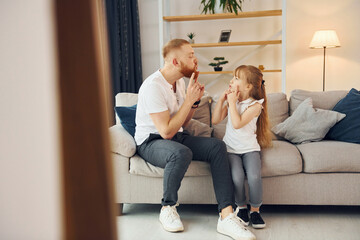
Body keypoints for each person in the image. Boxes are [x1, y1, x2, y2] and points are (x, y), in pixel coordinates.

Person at [134, 39, 256, 240]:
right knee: (181, 152)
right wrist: (189, 101)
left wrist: (194, 102)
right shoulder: (152, 86)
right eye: (190, 56)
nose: (195, 59)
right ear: (175, 62)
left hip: (176, 136)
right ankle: (167, 207)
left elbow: (184, 122)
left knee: (217, 146)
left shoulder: (180, 82)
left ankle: (226, 216)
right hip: (151, 141)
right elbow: (165, 131)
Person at [212, 65, 272, 229]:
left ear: (248, 86)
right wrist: (223, 101)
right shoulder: (234, 101)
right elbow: (215, 120)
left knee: (253, 176)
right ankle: (242, 208)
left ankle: (255, 210)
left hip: (250, 149)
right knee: (237, 177)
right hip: (231, 149)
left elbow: (237, 123)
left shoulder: (255, 106)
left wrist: (231, 103)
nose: (231, 81)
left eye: (236, 78)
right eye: (233, 77)